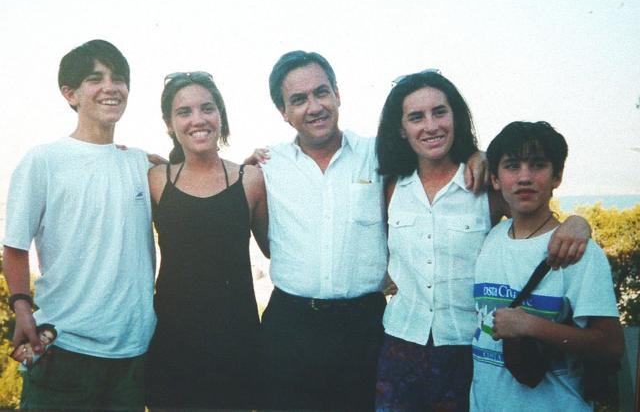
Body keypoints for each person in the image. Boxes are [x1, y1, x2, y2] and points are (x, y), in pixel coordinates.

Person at [257, 51, 489, 411]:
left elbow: (436, 156)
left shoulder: (378, 154)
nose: (314, 106)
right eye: (298, 100)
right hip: (290, 327)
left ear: (337, 94)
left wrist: (478, 155)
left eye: (321, 92)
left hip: (364, 327)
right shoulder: (268, 165)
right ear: (283, 112)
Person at [374, 71, 592, 411]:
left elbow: (539, 220)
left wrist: (579, 223)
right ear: (402, 129)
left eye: (439, 112)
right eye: (416, 117)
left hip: (469, 348)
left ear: (455, 117)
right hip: (400, 344)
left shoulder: (483, 185)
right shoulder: (390, 187)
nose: (430, 126)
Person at [2, 39, 156, 410]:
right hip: (63, 349)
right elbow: (14, 246)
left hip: (133, 357)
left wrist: (242, 167)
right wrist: (22, 307)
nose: (110, 87)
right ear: (70, 93)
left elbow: (199, 183)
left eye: (118, 78)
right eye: (94, 78)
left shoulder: (143, 164)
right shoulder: (44, 161)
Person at [471, 121, 623, 411]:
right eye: (512, 166)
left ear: (558, 176)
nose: (524, 177)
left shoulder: (579, 252)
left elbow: (610, 346)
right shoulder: (490, 238)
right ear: (495, 179)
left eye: (538, 165)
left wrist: (531, 325)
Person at [144, 71, 269, 409]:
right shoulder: (155, 179)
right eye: (184, 112)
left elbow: (276, 250)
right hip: (172, 343)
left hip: (236, 344)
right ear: (169, 123)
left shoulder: (251, 180)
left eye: (207, 108)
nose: (197, 119)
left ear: (220, 115)